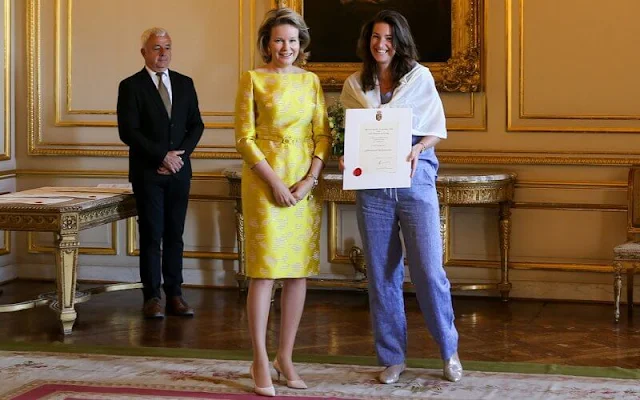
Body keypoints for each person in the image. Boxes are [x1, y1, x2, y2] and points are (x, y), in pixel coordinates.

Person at [339, 10, 463, 383]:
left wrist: (418, 148)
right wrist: (347, 155)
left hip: (414, 178)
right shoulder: (354, 85)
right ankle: (392, 358)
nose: (382, 44)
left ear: (400, 41)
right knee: (381, 274)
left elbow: (436, 131)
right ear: (367, 41)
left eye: (389, 38)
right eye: (376, 37)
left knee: (428, 270)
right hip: (372, 186)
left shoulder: (419, 78)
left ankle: (448, 351)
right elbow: (352, 134)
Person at [234, 7, 331, 397]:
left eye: (292, 40)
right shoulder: (252, 79)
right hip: (264, 183)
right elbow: (243, 138)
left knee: (297, 273)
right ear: (266, 44)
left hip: (303, 184)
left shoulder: (311, 82)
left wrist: (309, 179)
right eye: (278, 40)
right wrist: (274, 182)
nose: (286, 47)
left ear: (300, 44)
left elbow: (323, 135)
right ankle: (259, 358)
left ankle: (285, 357)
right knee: (264, 272)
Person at [117, 27, 204, 320]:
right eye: (156, 48)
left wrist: (179, 158)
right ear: (144, 52)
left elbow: (197, 125)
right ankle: (152, 296)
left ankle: (175, 295)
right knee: (152, 235)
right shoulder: (131, 86)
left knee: (175, 235)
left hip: (179, 172)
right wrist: (161, 156)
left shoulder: (185, 83)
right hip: (148, 173)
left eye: (167, 47)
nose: (163, 53)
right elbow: (129, 131)